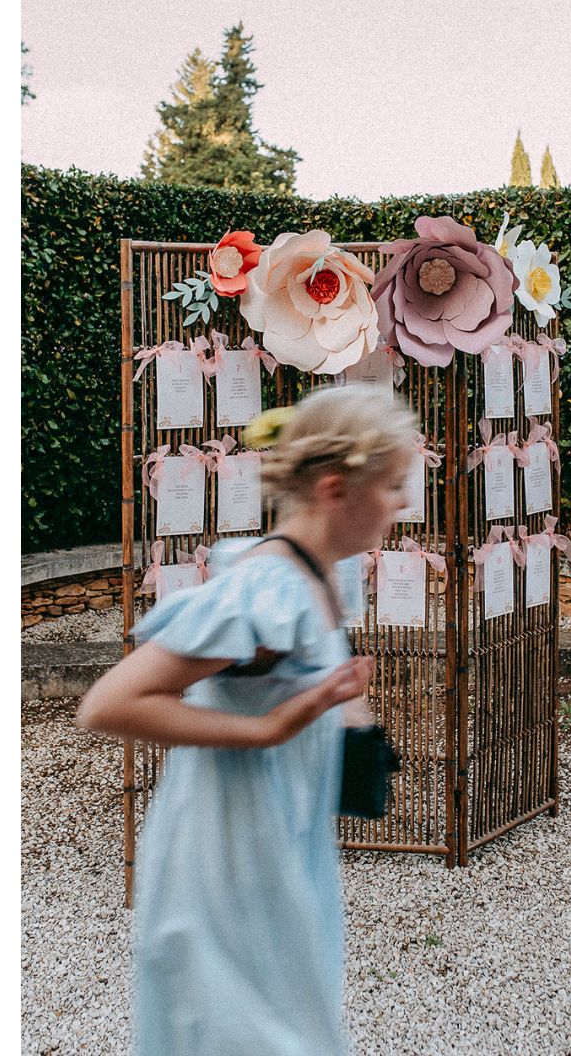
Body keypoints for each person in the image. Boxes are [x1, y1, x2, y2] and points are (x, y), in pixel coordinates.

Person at [75, 384, 420, 1056]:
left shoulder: (325, 573)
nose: (404, 503)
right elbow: (109, 704)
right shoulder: (265, 588)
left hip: (282, 838)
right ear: (334, 490)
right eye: (393, 485)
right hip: (227, 854)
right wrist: (267, 730)